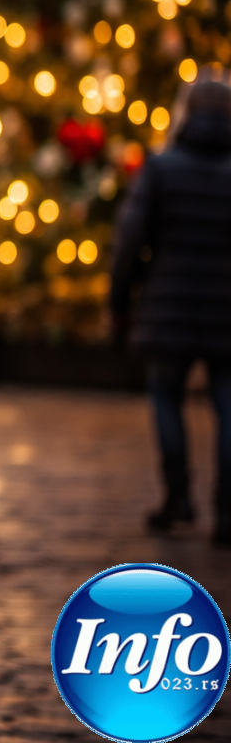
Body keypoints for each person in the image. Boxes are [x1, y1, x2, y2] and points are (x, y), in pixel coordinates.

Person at [111, 78, 231, 545]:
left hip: (168, 307)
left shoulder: (161, 168)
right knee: (228, 406)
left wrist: (118, 302)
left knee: (166, 397)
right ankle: (226, 512)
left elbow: (130, 241)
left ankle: (178, 496)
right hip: (226, 310)